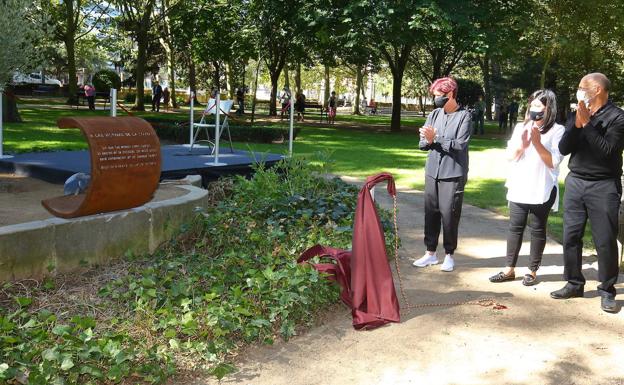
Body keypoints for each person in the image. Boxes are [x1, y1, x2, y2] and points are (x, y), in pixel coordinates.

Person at [551, 73, 624, 313]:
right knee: (571, 236)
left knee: (604, 240)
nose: (579, 91)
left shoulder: (618, 117)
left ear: (598, 90)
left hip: (603, 186)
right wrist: (577, 125)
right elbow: (564, 148)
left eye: (583, 87)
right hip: (576, 182)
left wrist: (588, 125)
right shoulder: (578, 112)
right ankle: (574, 282)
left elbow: (607, 151)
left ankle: (607, 290)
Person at [489, 90, 565, 286]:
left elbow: (553, 162)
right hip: (519, 186)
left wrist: (538, 143)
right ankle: (509, 269)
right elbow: (510, 156)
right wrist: (522, 146)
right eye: (532, 105)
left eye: (539, 106)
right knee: (515, 228)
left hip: (542, 188)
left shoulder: (557, 130)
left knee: (538, 230)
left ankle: (532, 271)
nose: (534, 109)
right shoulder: (521, 127)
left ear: (549, 109)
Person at [413, 77, 472, 272]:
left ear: (451, 94)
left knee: (450, 215)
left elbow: (459, 145)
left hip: (452, 173)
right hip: (432, 171)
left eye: (440, 96)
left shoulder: (465, 116)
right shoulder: (434, 114)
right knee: (431, 213)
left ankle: (449, 255)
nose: (437, 99)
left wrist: (435, 138)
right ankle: (430, 253)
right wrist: (428, 140)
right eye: (435, 96)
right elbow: (423, 144)